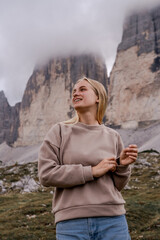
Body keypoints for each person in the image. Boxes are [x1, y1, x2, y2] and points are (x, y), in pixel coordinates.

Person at [38, 77, 138, 240]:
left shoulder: (113, 136)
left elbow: (117, 186)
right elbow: (46, 174)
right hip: (70, 224)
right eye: (74, 91)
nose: (76, 93)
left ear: (98, 97)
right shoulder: (59, 131)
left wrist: (122, 166)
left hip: (113, 221)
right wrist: (91, 171)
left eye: (83, 89)